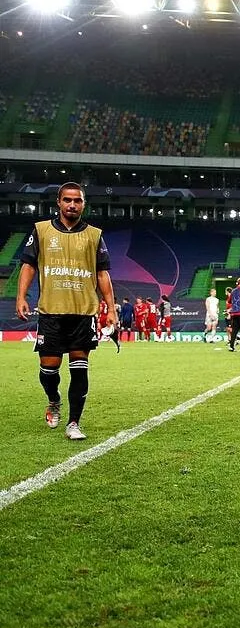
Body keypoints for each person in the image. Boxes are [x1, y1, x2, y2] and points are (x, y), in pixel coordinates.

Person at [15, 182, 117, 441]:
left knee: (79, 368)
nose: (72, 205)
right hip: (51, 311)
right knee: (48, 369)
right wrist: (21, 296)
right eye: (68, 200)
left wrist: (110, 307)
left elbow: (102, 273)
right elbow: (28, 265)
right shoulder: (42, 230)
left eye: (78, 200)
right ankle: (54, 399)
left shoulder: (94, 235)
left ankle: (74, 422)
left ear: (84, 204)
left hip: (83, 312)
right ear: (58, 202)